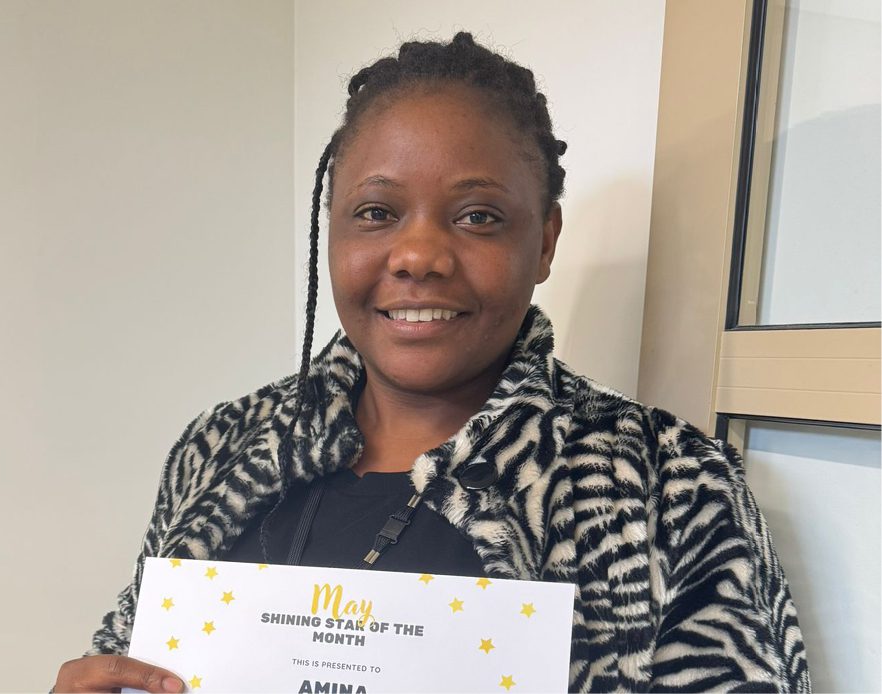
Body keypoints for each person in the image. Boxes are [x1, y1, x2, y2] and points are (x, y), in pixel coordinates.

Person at [54, 32, 810, 693]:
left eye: (478, 216)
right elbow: (133, 657)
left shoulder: (671, 488)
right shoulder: (220, 447)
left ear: (543, 242)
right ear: (332, 231)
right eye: (376, 213)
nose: (416, 255)